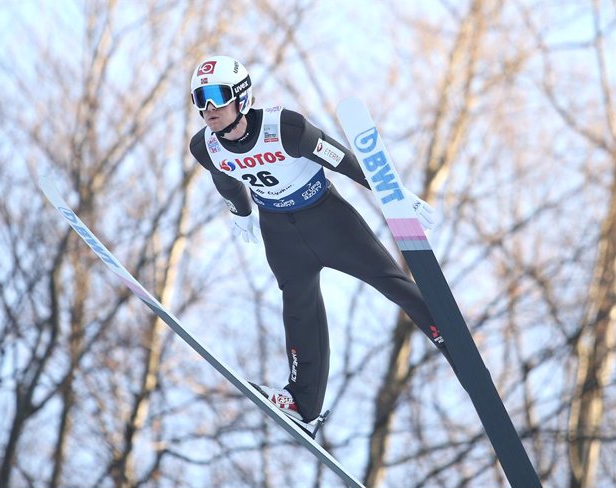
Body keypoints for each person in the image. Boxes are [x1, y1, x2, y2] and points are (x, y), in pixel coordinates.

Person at [188, 55, 453, 432]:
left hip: (327, 218)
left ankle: (447, 335)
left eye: (217, 96)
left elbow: (340, 158)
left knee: (389, 281)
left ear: (241, 96)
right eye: (200, 98)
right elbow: (226, 179)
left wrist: (390, 192)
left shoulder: (285, 127)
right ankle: (302, 402)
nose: (209, 107)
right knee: (297, 308)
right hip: (279, 231)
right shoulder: (205, 148)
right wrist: (240, 212)